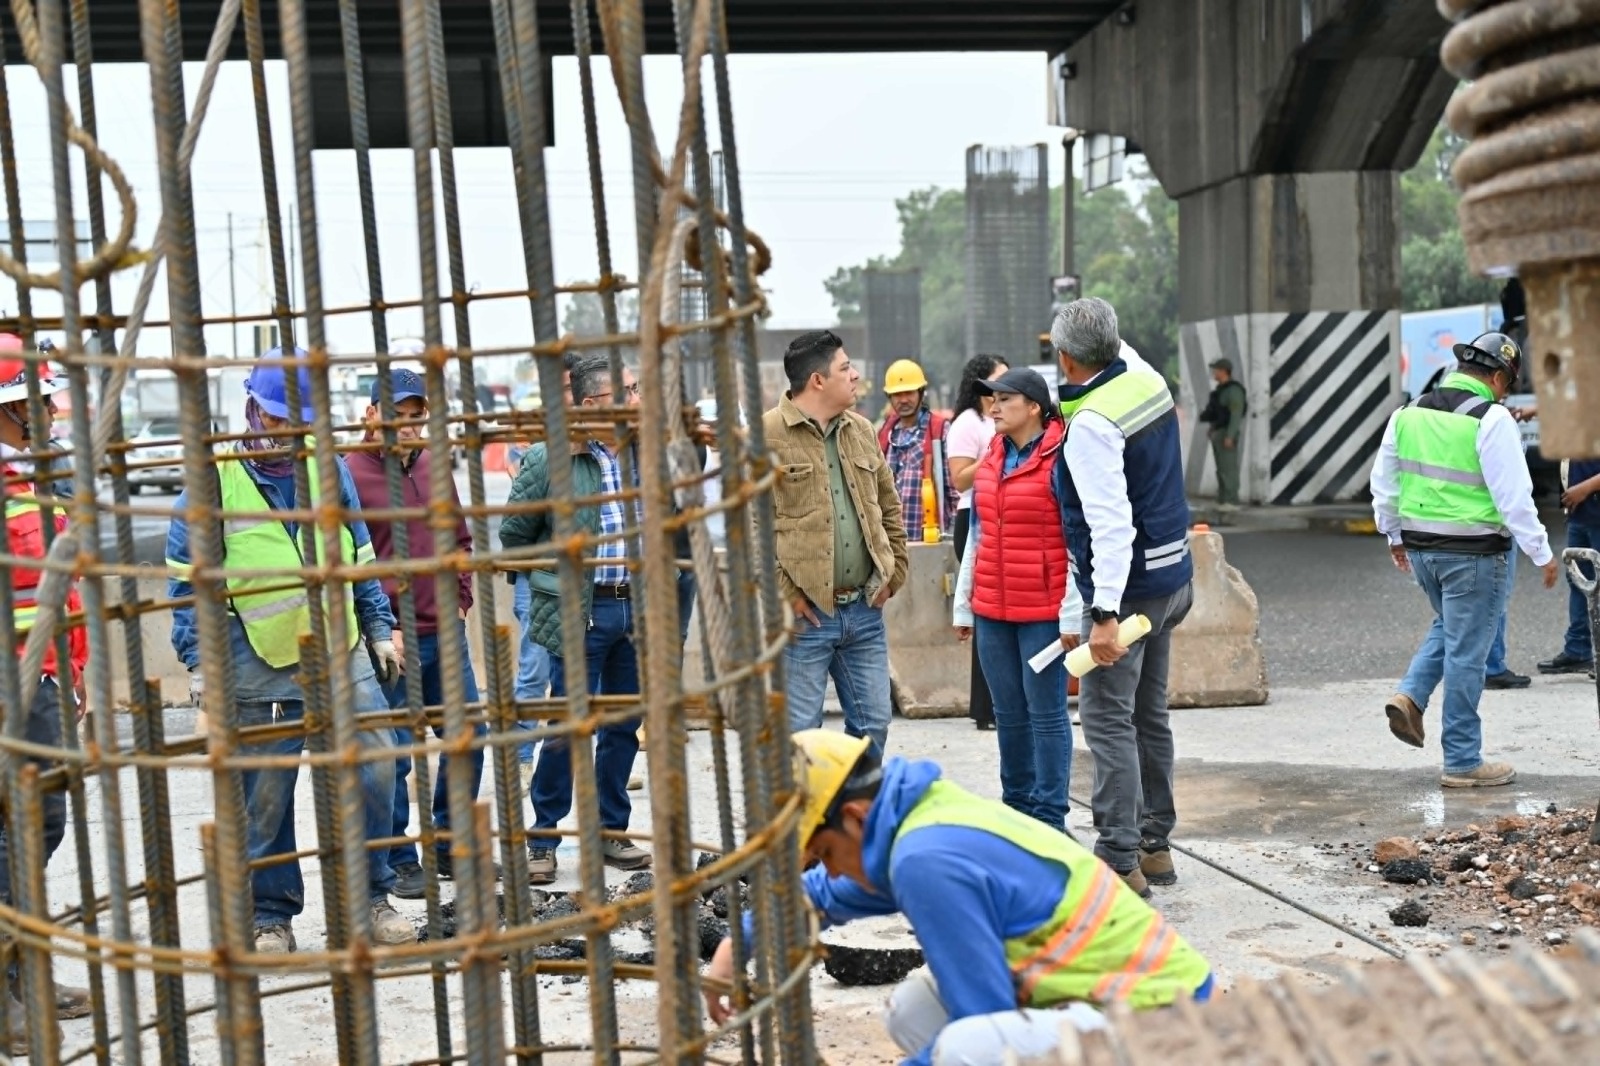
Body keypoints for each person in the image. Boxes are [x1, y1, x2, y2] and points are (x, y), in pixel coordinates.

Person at [704, 731, 1213, 1066]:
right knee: (913, 1011)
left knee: (965, 1050)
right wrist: (737, 944)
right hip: (1110, 1000)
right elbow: (824, 896)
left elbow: (983, 1017)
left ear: (856, 818)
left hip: (1164, 1026)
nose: (828, 870)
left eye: (823, 853)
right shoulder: (915, 815)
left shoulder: (925, 860)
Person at [166, 353, 416, 952]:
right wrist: (200, 660)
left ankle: (370, 896)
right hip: (257, 654)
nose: (284, 432)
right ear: (253, 408)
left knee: (378, 764)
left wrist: (378, 625)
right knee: (267, 794)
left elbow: (359, 554)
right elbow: (186, 581)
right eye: (276, 418)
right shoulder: (214, 477)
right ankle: (269, 914)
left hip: (339, 645)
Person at [1370, 331, 1558, 788]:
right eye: (1506, 384)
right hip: (1474, 554)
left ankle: (1411, 698)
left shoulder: (1406, 415)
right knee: (1468, 655)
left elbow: (1384, 484)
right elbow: (1514, 498)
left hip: (1421, 552)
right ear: (1496, 376)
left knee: (1452, 627)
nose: (1504, 393)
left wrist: (1394, 536)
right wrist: (1543, 553)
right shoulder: (1490, 418)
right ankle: (1462, 761)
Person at [1052, 298, 1194, 898]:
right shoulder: (1147, 382)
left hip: (1129, 592)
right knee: (1149, 714)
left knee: (1109, 720)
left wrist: (1103, 616)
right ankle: (1154, 845)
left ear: (1064, 357)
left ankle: (1117, 855)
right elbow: (1114, 348)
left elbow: (1111, 525)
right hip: (1173, 581)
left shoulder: (1090, 426)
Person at [499, 355, 652, 885]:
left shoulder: (638, 453)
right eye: (628, 392)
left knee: (622, 725)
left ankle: (612, 828)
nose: (637, 400)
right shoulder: (549, 460)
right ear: (592, 406)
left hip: (634, 607)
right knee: (566, 727)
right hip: (582, 612)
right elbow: (514, 540)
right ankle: (543, 838)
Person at [348, 368, 494, 899]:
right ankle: (399, 860)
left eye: (416, 417)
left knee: (467, 737)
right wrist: (380, 628)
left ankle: (449, 846)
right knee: (395, 752)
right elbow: (345, 558)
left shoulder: (434, 467)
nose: (408, 428)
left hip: (443, 633)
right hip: (391, 640)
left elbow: (459, 538)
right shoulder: (349, 473)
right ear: (371, 415)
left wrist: (459, 601)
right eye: (396, 416)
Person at [0, 339, 92, 1041]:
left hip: (46, 673)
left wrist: (76, 669)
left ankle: (24, 967)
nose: (44, 415)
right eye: (28, 405)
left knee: (43, 822)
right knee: (12, 829)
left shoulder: (35, 475)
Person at [764, 331, 908, 758]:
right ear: (817, 381)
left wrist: (894, 572)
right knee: (800, 737)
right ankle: (804, 824)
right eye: (845, 368)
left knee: (873, 726)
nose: (856, 375)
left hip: (865, 612)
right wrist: (785, 594)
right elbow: (749, 528)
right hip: (806, 617)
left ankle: (854, 819)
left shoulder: (861, 430)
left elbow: (889, 505)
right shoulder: (766, 435)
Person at [952, 368, 1080, 832]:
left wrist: (1072, 612)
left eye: (1005, 399)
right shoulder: (992, 454)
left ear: (1033, 406)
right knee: (1007, 715)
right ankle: (1018, 810)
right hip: (992, 610)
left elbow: (1076, 538)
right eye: (992, 399)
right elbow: (978, 535)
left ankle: (1050, 819)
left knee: (1045, 716)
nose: (994, 406)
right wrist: (964, 605)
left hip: (1043, 613)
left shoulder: (1061, 456)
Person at [510, 352, 584, 788]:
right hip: (539, 575)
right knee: (535, 669)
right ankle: (522, 757)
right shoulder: (534, 438)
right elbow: (516, 526)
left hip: (589, 575)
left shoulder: (600, 439)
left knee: (581, 672)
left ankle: (575, 761)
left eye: (572, 387)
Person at [944, 354, 1008, 731]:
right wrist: (995, 454)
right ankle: (985, 708)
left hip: (1001, 515)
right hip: (976, 519)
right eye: (998, 379)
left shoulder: (1004, 417)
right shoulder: (969, 424)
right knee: (985, 616)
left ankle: (1002, 703)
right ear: (981, 384)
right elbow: (959, 480)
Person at [878, 358, 958, 538]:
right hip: (891, 542)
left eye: (909, 393)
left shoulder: (939, 431)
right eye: (897, 394)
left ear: (921, 394)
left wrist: (952, 534)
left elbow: (954, 491)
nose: (904, 400)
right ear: (889, 397)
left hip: (929, 539)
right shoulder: (884, 434)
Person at [1538, 458, 1600, 676]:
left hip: (1590, 506)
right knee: (1578, 582)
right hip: (1580, 513)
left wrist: (1585, 488)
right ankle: (1578, 650)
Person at [1198, 357, 1246, 508]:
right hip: (1219, 432)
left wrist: (1230, 436)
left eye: (1216, 370)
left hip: (1227, 433)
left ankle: (1231, 500)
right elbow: (1219, 413)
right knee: (1221, 468)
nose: (1214, 373)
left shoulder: (1234, 390)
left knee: (1228, 468)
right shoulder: (1221, 390)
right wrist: (1213, 428)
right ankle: (1223, 498)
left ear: (1224, 371)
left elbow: (1235, 415)